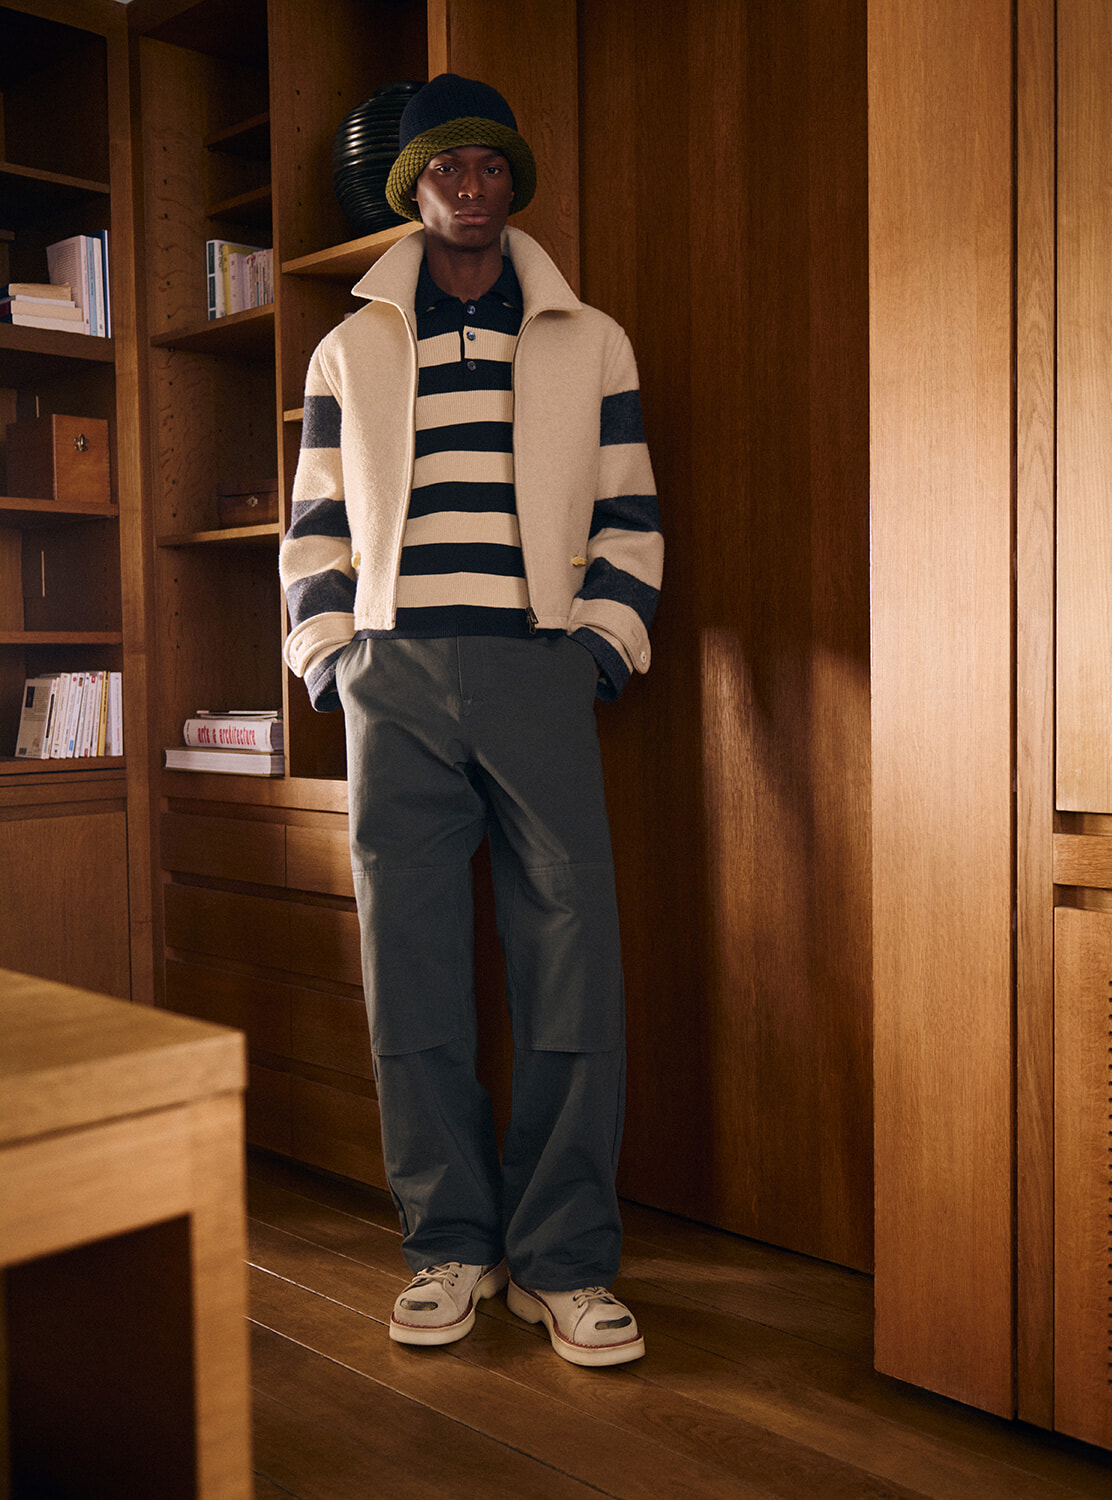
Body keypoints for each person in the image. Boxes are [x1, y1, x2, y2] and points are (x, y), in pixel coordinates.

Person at [279, 73, 662, 1368]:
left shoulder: (588, 337)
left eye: (488, 164)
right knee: (415, 977)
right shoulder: (351, 348)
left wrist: (598, 651)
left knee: (574, 973)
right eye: (444, 167)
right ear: (415, 190)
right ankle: (449, 1248)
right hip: (393, 679)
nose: (468, 183)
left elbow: (629, 515)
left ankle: (565, 1264)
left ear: (511, 182)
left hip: (537, 671)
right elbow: (314, 524)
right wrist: (331, 657)